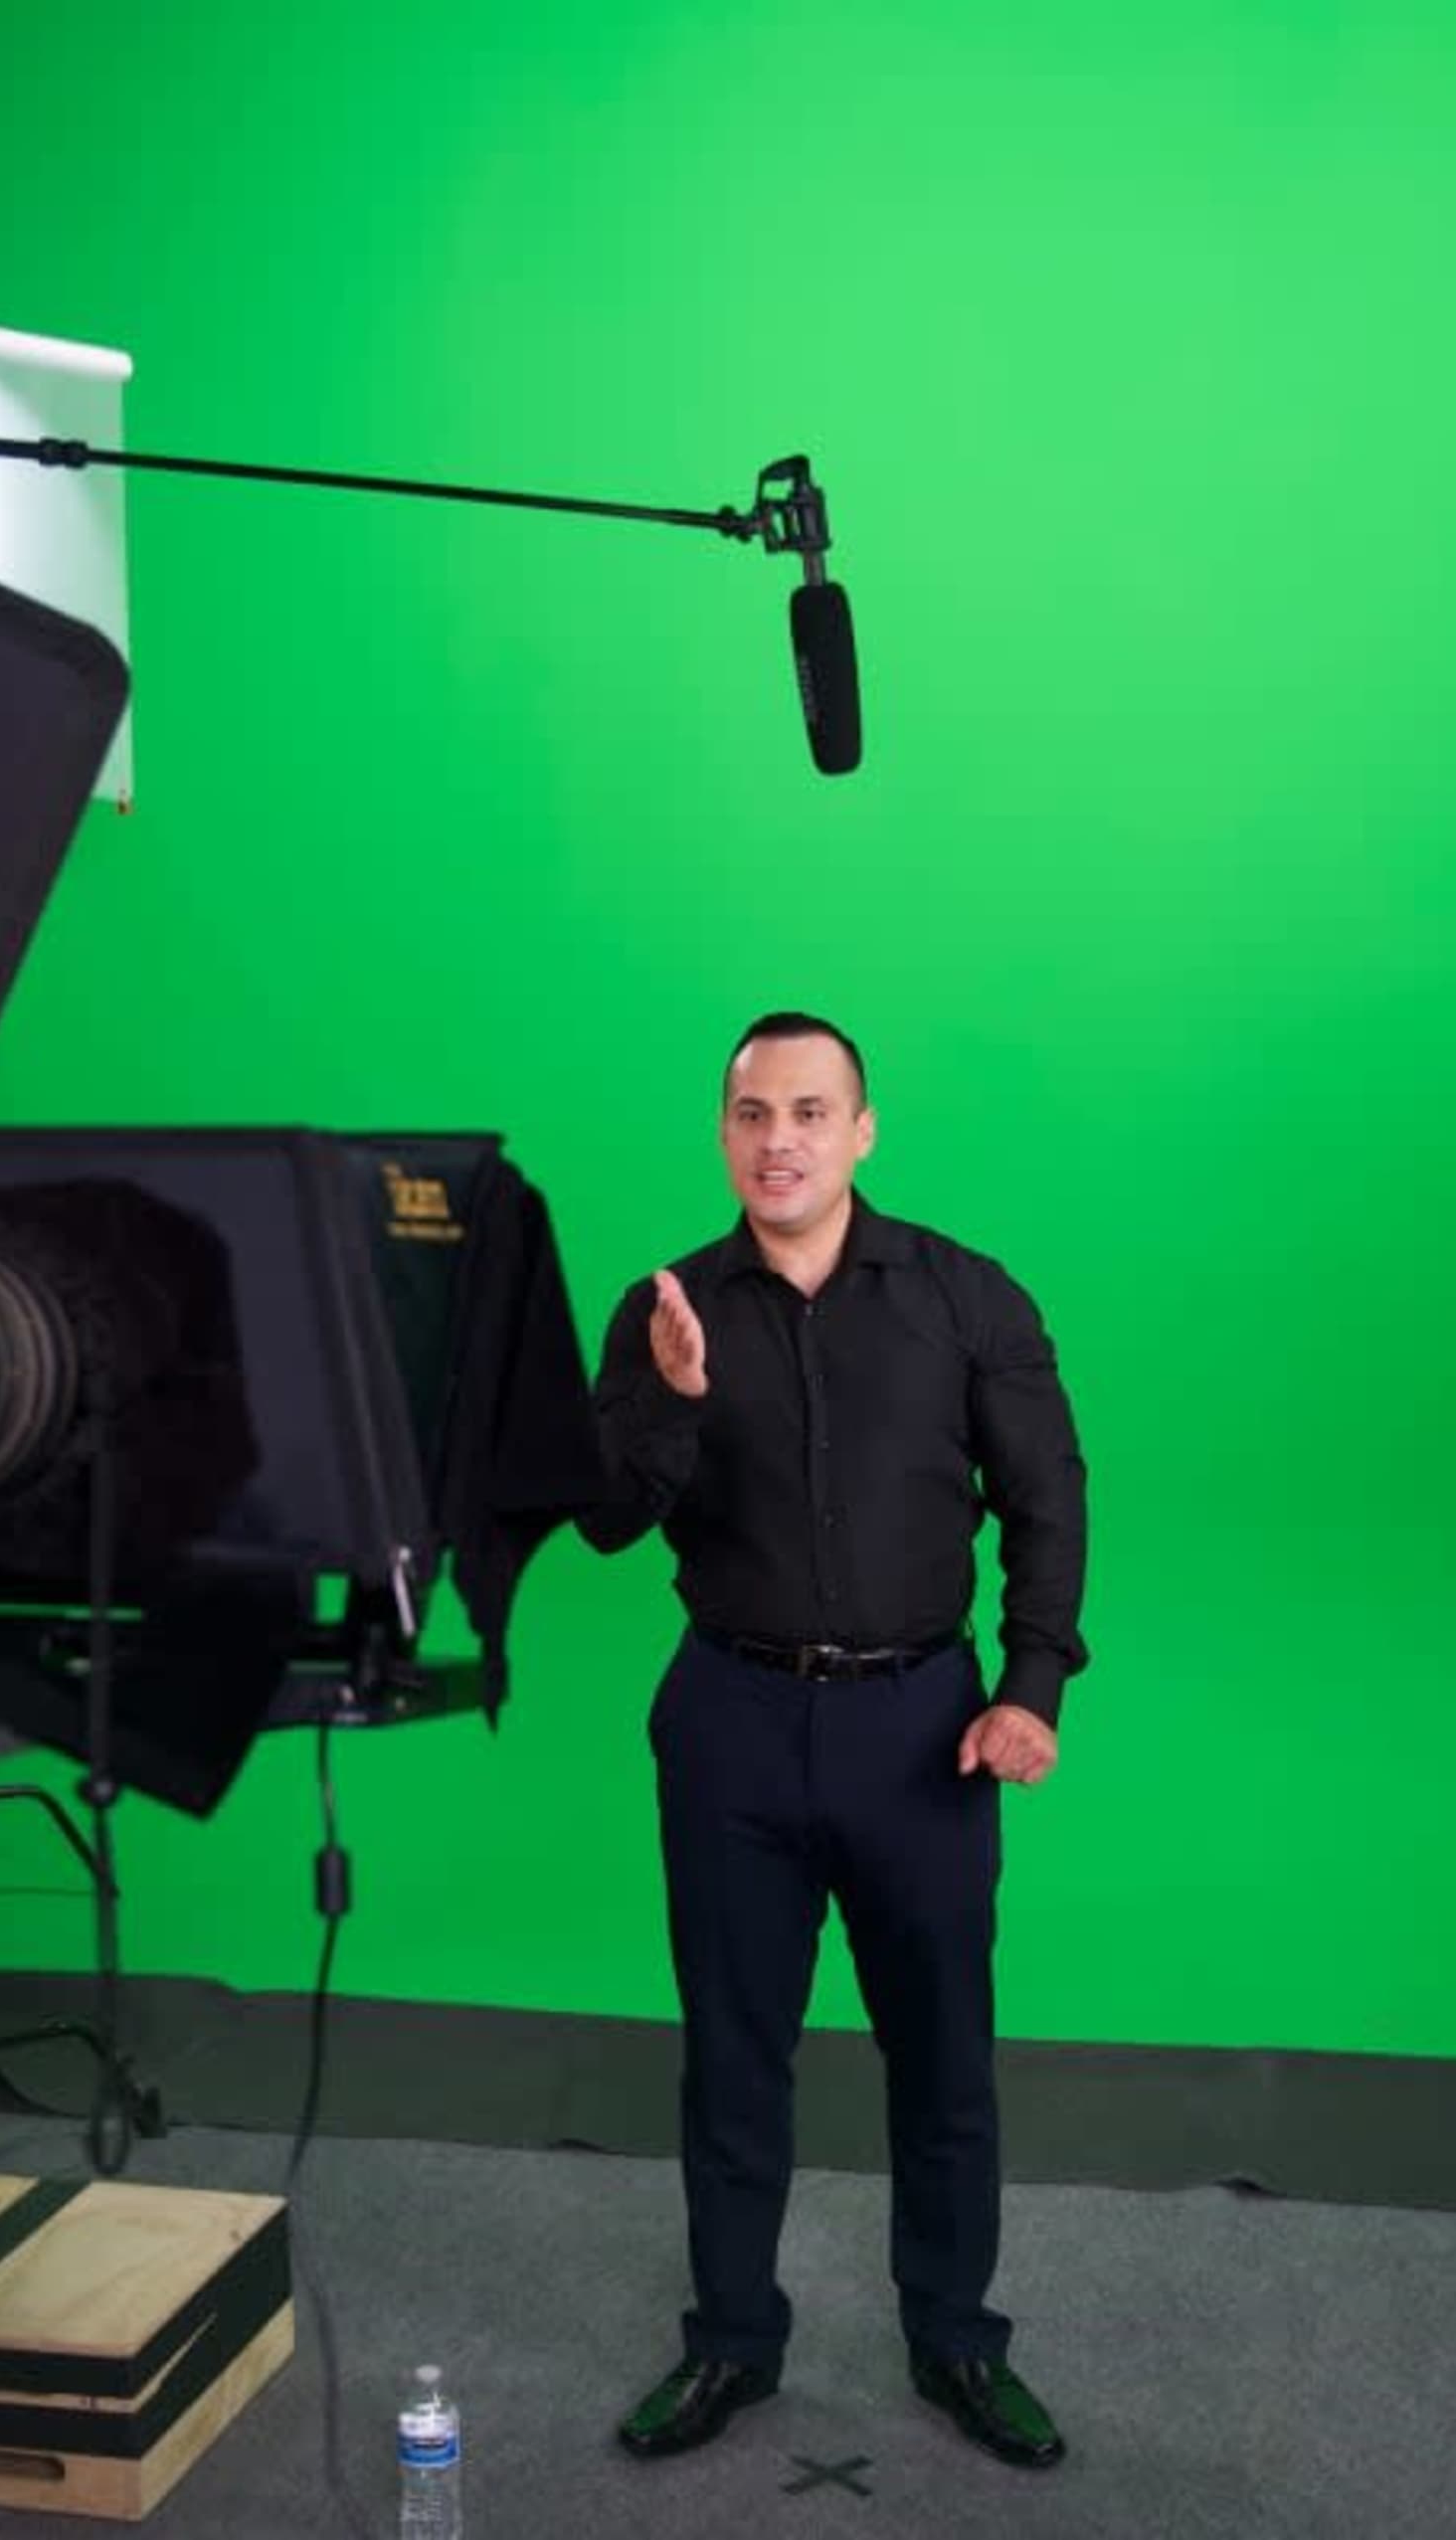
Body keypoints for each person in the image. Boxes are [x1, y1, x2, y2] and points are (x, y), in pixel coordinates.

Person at [585, 1011, 1088, 2472]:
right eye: (753, 1112)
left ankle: (957, 2340)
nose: (780, 1140)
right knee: (733, 2057)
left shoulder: (966, 1295)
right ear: (724, 1130)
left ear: (863, 1130)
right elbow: (608, 1517)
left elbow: (1049, 1499)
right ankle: (731, 2342)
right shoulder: (667, 1310)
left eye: (811, 1111)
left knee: (944, 2059)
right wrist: (672, 1399)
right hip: (730, 1723)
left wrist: (1030, 1687)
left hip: (922, 1726)